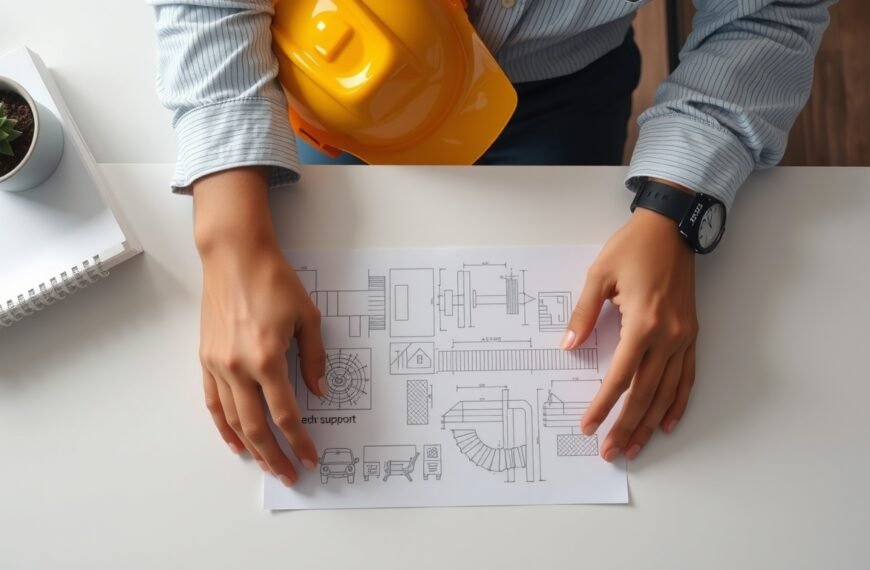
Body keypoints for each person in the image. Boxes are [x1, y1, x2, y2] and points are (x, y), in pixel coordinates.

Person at [150, 0, 833, 487]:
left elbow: (767, 13)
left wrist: (676, 205)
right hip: (330, 65)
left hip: (558, 85)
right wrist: (228, 233)